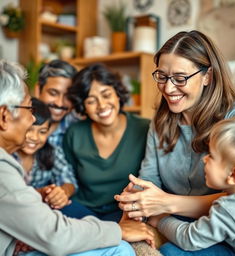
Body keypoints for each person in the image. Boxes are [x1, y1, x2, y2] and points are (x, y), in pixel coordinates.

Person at [114, 30, 235, 255]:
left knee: (172, 251)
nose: (168, 89)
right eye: (162, 76)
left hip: (227, 232)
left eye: (180, 78)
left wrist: (166, 204)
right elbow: (150, 177)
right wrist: (138, 198)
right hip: (175, 218)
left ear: (207, 75)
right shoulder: (161, 122)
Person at [0, 59, 155, 256]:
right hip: (70, 218)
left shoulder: (143, 128)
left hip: (110, 211)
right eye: (29, 109)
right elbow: (55, 234)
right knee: (120, 249)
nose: (33, 119)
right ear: (5, 116)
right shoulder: (4, 168)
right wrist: (117, 230)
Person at [148, 114, 235, 256]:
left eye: (211, 155)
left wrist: (161, 220)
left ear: (233, 176)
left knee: (170, 252)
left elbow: (189, 239)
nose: (204, 159)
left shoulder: (230, 210)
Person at [62, 63, 150, 222]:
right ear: (83, 106)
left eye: (106, 94)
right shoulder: (74, 134)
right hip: (82, 210)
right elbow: (68, 179)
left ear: (117, 94)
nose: (102, 105)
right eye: (91, 101)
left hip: (124, 210)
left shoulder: (145, 129)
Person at [14, 97, 78, 210]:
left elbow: (69, 180)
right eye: (29, 130)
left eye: (42, 132)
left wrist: (62, 193)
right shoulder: (6, 153)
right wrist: (39, 193)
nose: (35, 137)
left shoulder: (51, 151)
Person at [35, 59, 78, 147]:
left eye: (68, 96)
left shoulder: (78, 131)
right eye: (53, 93)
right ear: (38, 90)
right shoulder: (18, 123)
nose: (60, 103)